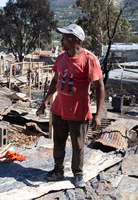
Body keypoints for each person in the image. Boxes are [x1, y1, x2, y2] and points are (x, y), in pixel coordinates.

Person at [36, 24, 105, 188]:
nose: (61, 40)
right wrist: (45, 101)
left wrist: (98, 114)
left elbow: (100, 87)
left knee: (78, 145)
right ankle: (58, 171)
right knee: (58, 142)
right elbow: (55, 80)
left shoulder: (89, 60)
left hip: (79, 112)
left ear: (75, 40)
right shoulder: (61, 57)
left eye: (65, 37)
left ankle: (78, 173)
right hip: (59, 109)